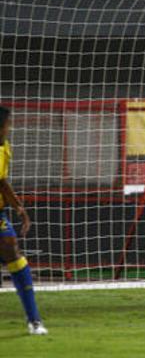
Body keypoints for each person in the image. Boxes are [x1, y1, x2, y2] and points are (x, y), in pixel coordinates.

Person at [0, 107, 48, 335]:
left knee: (13, 251)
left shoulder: (4, 147)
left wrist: (19, 208)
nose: (10, 128)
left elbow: (2, 181)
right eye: (8, 124)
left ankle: (34, 319)